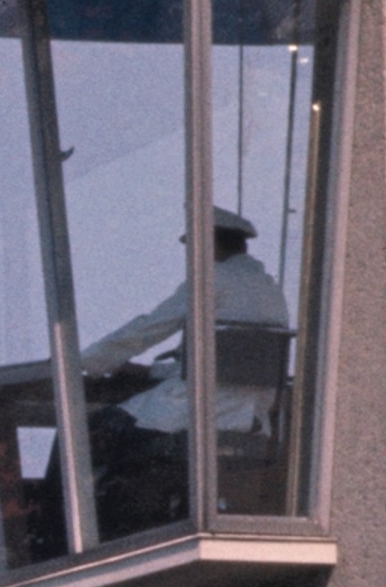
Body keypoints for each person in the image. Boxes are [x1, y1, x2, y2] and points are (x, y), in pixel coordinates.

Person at [76, 208, 292, 537]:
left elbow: (148, 328)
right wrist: (153, 372)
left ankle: (67, 538)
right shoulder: (271, 292)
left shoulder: (213, 280)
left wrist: (86, 362)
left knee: (87, 433)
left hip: (194, 414)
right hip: (249, 420)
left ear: (209, 246)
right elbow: (222, 360)